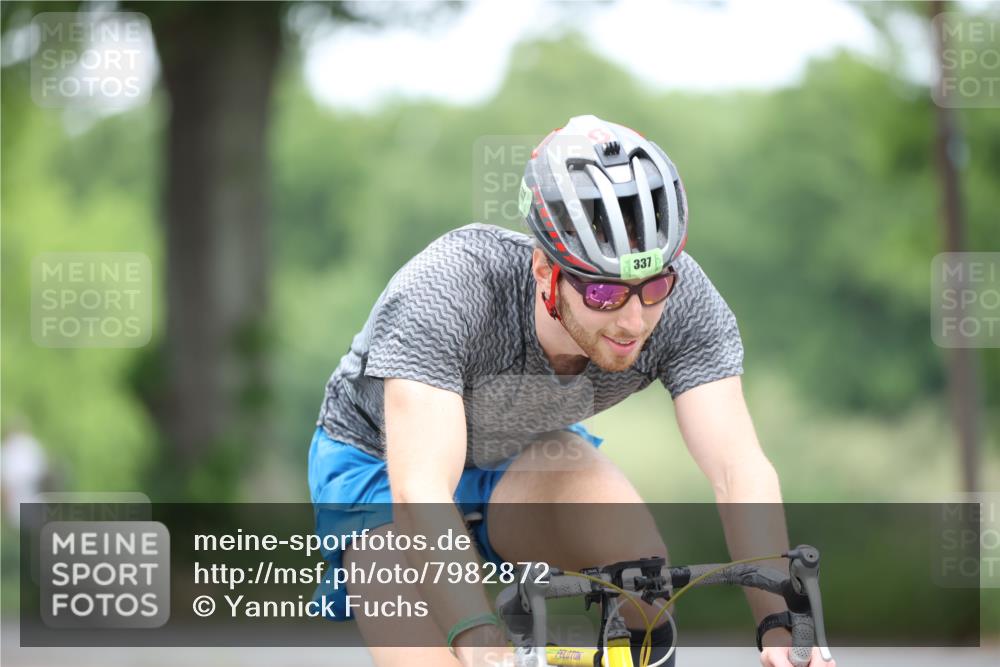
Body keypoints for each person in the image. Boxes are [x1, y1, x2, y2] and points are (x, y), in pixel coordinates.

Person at [308, 114, 835, 667]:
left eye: (653, 286)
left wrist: (780, 626)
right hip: (382, 467)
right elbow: (421, 489)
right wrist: (477, 637)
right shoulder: (446, 288)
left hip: (529, 450)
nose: (634, 320)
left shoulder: (683, 304)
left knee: (643, 582)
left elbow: (739, 469)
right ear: (545, 271)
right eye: (606, 293)